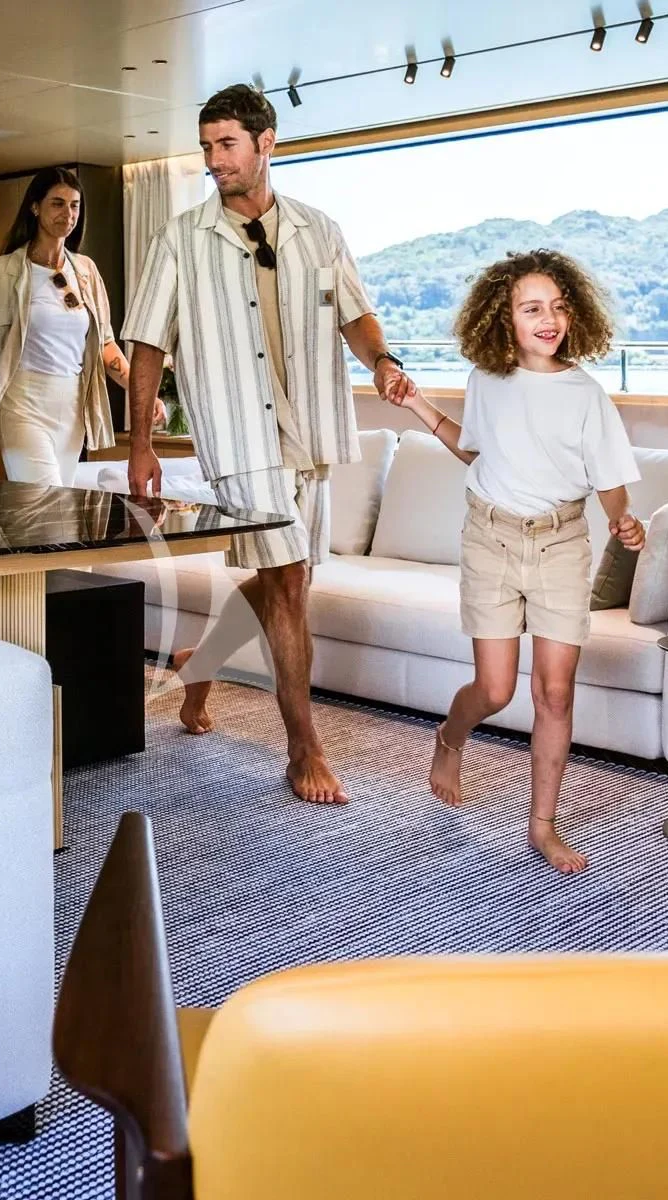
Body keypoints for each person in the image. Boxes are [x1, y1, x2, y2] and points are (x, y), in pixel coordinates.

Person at [122, 84, 419, 805]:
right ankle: (302, 751)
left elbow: (356, 314)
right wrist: (141, 443)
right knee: (288, 583)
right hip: (238, 433)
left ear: (267, 143)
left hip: (310, 432)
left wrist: (384, 362)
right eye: (207, 148)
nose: (213, 161)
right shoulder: (180, 239)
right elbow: (148, 343)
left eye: (226, 145)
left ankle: (197, 664)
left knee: (289, 580)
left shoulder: (319, 229)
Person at [389, 249, 645, 873]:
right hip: (491, 540)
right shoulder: (488, 380)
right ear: (503, 317)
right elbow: (473, 449)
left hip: (562, 543)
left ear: (575, 314)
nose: (548, 319)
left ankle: (542, 824)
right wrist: (417, 405)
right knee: (497, 690)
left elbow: (609, 477)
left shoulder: (585, 394)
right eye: (532, 308)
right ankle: (450, 739)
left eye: (558, 307)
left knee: (554, 693)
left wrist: (623, 519)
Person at [0, 167, 160, 484]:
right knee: (44, 502)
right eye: (57, 203)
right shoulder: (3, 272)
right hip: (22, 403)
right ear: (35, 206)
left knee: (53, 518)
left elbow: (105, 346)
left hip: (72, 407)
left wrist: (142, 393)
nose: (68, 214)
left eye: (74, 205)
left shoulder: (85, 270)